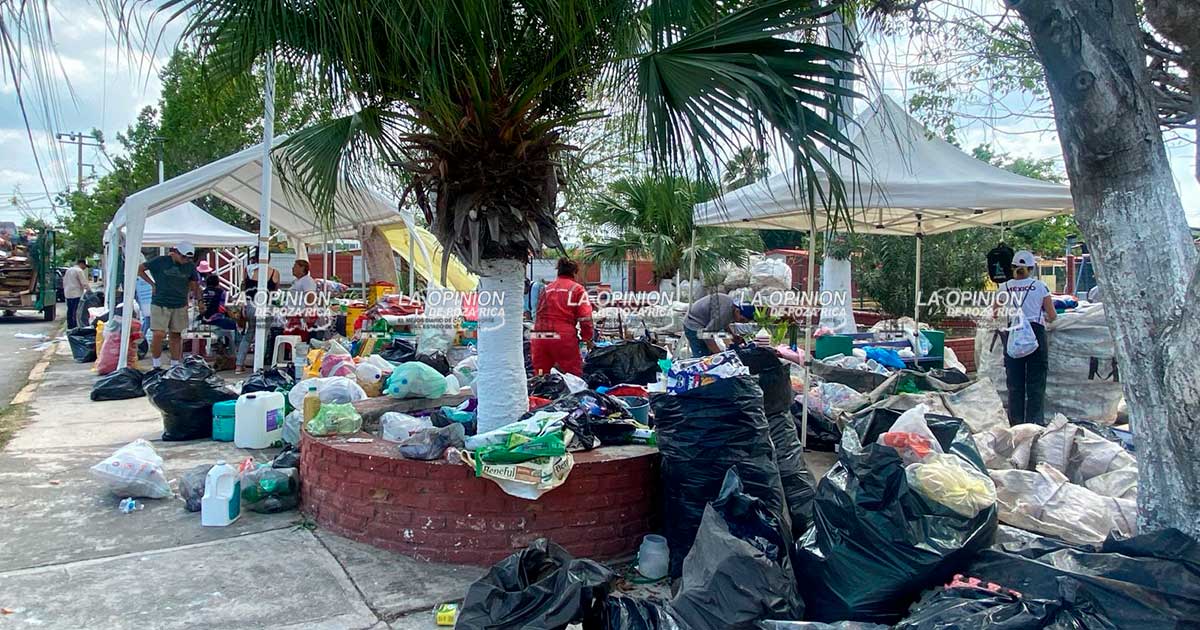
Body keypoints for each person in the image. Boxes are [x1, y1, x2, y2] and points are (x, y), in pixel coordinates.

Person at [999, 250, 1056, 426]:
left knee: (1014, 383)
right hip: (1035, 333)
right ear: (1031, 268)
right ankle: (1034, 424)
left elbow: (995, 313)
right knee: (1036, 382)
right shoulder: (1039, 286)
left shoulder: (1004, 287)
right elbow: (1052, 315)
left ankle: (1016, 424)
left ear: (1012, 267)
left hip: (1013, 333)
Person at [138, 241, 201, 369]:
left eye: (189, 258)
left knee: (176, 334)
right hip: (160, 302)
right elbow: (140, 269)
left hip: (180, 304)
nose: (186, 260)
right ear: (176, 253)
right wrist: (152, 284)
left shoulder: (190, 266)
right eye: (183, 257)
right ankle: (156, 364)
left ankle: (174, 364)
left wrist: (199, 300)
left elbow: (195, 284)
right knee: (158, 334)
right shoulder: (160, 261)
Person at [530, 258, 594, 376]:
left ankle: (541, 385)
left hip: (539, 335)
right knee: (572, 375)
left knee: (541, 374)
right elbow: (585, 318)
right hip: (562, 336)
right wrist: (587, 338)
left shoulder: (547, 289)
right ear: (574, 272)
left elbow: (538, 312)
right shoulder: (577, 289)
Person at [235, 250, 280, 374]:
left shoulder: (248, 270)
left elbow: (243, 287)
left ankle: (239, 364)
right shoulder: (275, 272)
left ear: (255, 258)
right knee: (263, 336)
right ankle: (258, 366)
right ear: (269, 259)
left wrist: (243, 305)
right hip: (267, 306)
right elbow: (275, 292)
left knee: (249, 334)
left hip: (251, 305)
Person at [683, 292, 755, 357]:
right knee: (703, 358)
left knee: (710, 355)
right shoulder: (725, 312)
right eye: (742, 320)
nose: (739, 322)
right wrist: (719, 355)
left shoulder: (731, 306)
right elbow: (706, 336)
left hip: (704, 323)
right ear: (737, 311)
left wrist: (732, 336)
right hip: (693, 324)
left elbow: (723, 322)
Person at [199, 275, 237, 354]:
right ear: (218, 283)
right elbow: (230, 302)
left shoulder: (202, 293)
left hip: (203, 321)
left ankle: (221, 344)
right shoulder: (222, 292)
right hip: (216, 321)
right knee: (235, 325)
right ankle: (233, 349)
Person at [62, 259, 90, 329]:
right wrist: (89, 291)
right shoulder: (79, 271)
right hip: (76, 294)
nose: (85, 268)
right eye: (85, 266)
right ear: (82, 264)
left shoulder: (68, 270)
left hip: (68, 293)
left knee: (70, 310)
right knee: (76, 310)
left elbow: (64, 281)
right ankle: (75, 326)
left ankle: (70, 326)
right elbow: (84, 283)